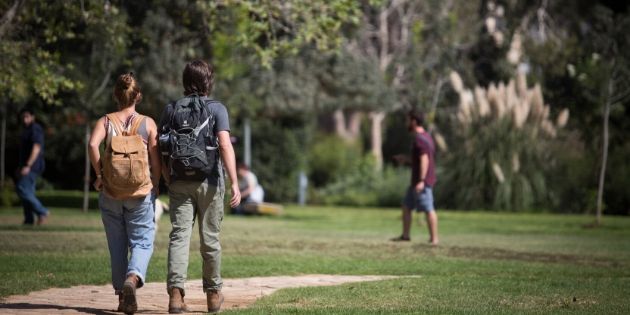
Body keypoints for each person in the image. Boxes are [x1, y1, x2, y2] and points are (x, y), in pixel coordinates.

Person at [159, 60, 241, 314]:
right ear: (208, 81)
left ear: (185, 82)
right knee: (210, 238)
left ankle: (175, 294)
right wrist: (235, 181)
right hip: (210, 181)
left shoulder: (171, 109)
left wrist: (166, 176)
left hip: (179, 180)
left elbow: (160, 147)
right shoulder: (217, 109)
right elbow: (225, 145)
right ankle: (213, 296)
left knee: (179, 237)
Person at [88, 73, 160, 314]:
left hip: (110, 192)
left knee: (117, 244)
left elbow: (91, 145)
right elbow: (155, 157)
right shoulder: (148, 123)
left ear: (115, 96)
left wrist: (100, 175)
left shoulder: (105, 121)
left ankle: (121, 295)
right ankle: (133, 277)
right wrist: (156, 183)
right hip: (140, 193)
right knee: (142, 240)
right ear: (137, 96)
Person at [392, 111, 439, 245]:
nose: (406, 123)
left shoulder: (419, 139)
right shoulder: (426, 137)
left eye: (407, 120)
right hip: (417, 181)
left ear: (413, 121)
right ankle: (405, 236)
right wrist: (405, 159)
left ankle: (434, 239)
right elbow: (419, 159)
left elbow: (425, 160)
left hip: (422, 181)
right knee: (406, 206)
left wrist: (422, 181)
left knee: (429, 209)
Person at [16, 108, 49, 225]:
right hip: (25, 166)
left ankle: (42, 211)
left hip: (32, 166)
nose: (25, 120)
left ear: (32, 117)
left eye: (27, 117)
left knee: (22, 188)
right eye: (23, 117)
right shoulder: (26, 129)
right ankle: (28, 219)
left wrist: (28, 165)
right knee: (28, 191)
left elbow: (36, 148)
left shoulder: (35, 129)